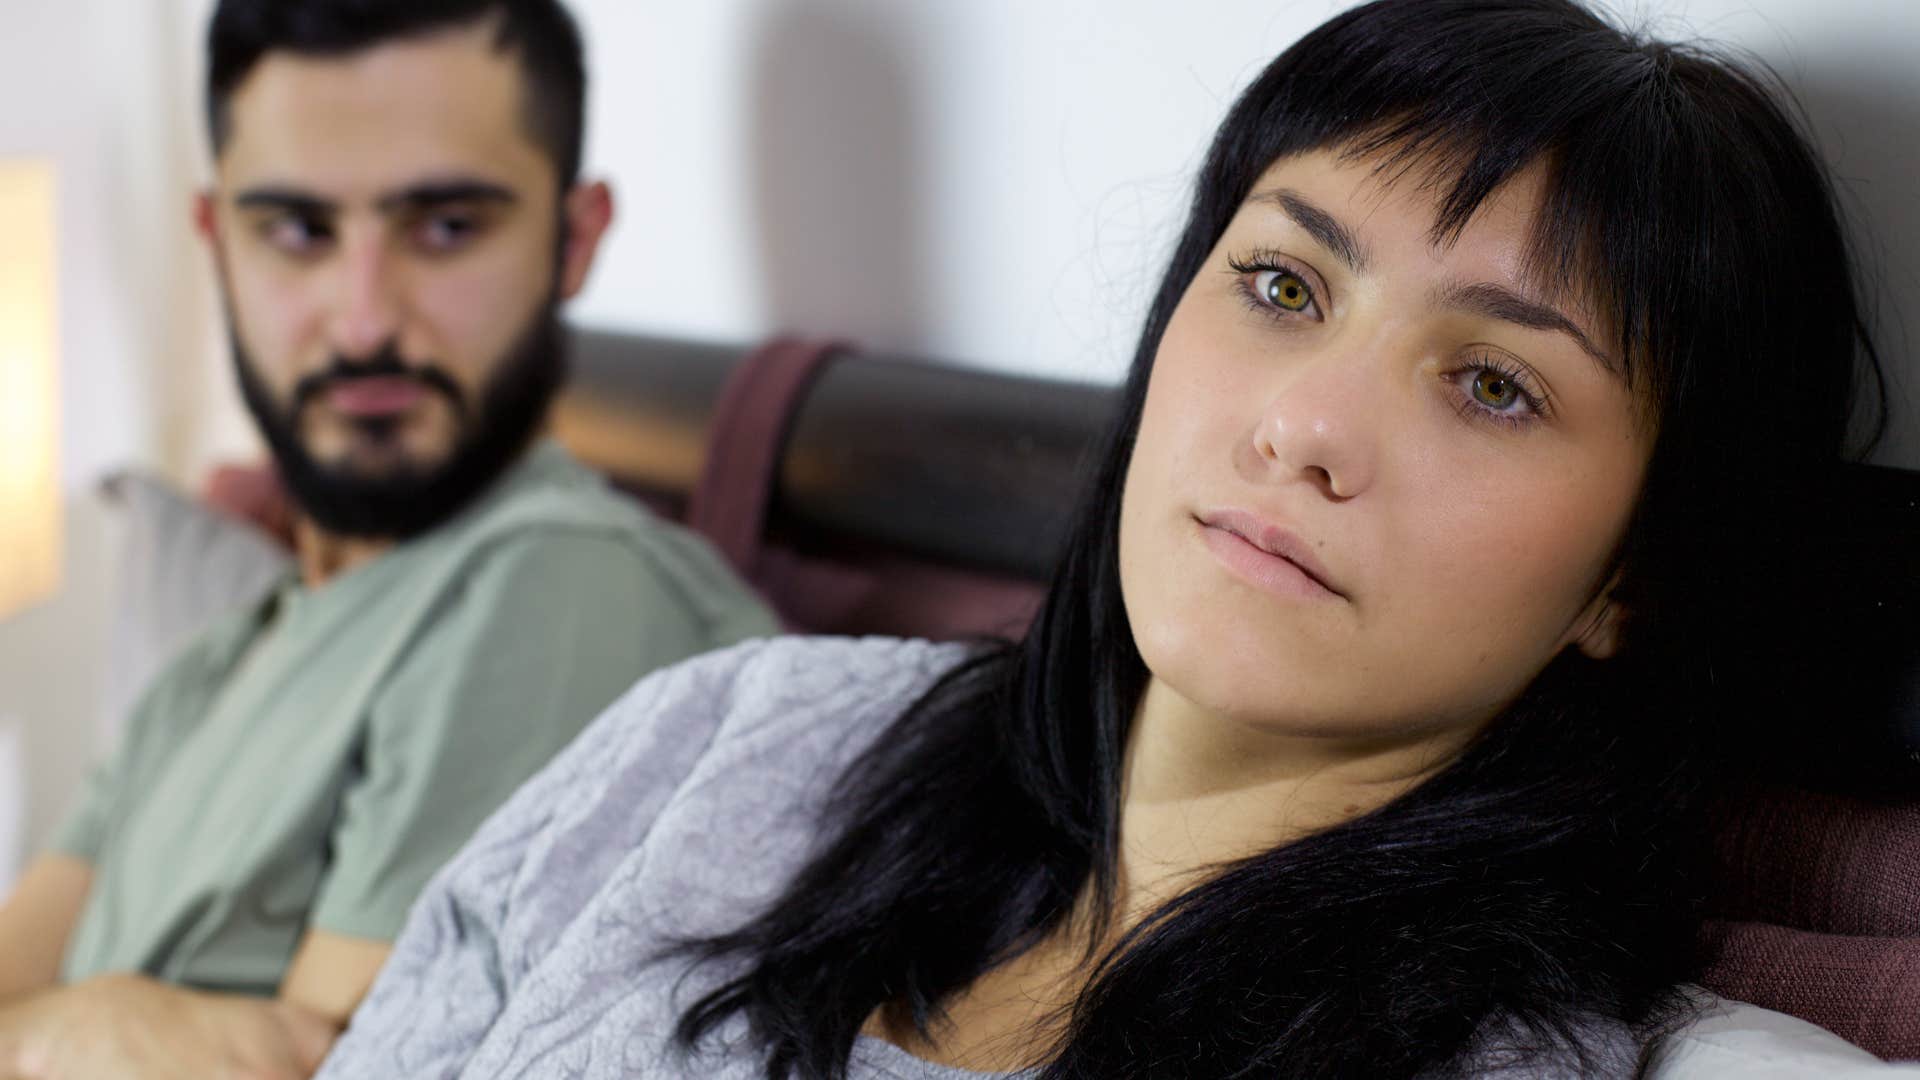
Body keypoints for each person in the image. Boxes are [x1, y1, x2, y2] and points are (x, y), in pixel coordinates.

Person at [318, 0, 1906, 1077]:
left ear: (1631, 579)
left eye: (1493, 385)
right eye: (1284, 286)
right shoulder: (731, 731)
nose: (1303, 430)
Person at [0, 0, 776, 1075]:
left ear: (575, 238)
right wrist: (79, 1031)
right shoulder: (220, 661)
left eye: (447, 227)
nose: (363, 319)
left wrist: (73, 1025)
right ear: (215, 242)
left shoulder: (553, 586)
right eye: (299, 231)